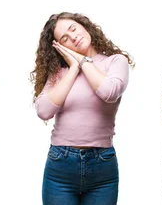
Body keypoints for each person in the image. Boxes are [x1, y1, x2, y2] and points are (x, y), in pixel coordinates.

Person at [31, 12, 134, 205]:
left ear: (84, 26)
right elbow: (43, 111)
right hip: (60, 166)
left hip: (102, 166)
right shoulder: (59, 73)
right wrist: (72, 69)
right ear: (60, 47)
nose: (73, 37)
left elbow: (109, 92)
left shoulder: (115, 62)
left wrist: (82, 61)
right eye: (65, 38)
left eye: (73, 28)